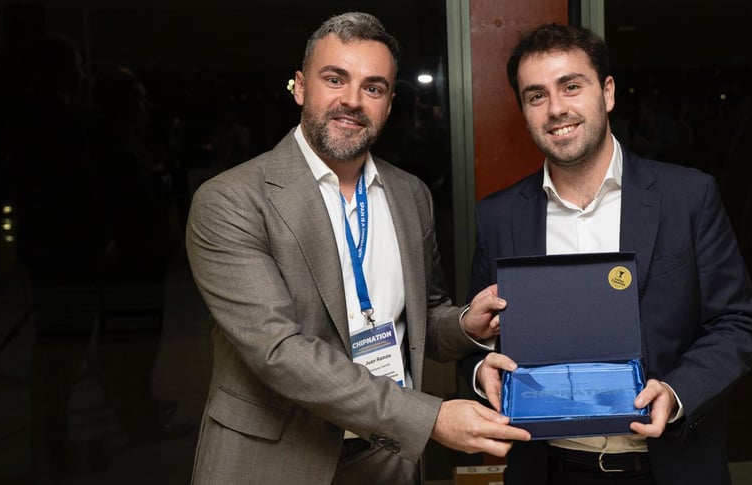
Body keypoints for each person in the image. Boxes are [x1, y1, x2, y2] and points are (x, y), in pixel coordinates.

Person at [185, 12, 530, 485]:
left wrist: (466, 324)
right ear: (300, 87)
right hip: (275, 458)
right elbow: (278, 352)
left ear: (389, 104)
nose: (352, 100)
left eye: (373, 87)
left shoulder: (410, 195)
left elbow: (423, 316)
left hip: (385, 456)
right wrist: (430, 418)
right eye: (335, 79)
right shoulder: (232, 201)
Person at [467, 23, 752, 485]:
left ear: (607, 92)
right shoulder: (498, 216)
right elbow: (476, 334)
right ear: (523, 110)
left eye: (571, 86)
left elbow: (739, 324)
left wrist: (677, 392)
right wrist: (480, 368)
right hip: (550, 471)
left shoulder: (687, 197)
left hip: (669, 468)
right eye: (536, 95)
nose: (556, 108)